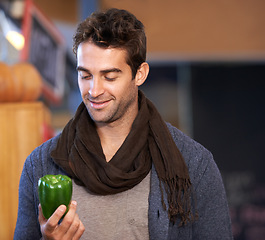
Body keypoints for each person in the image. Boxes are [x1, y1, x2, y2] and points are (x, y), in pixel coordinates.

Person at [14, 8, 233, 240]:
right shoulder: (40, 165)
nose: (94, 91)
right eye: (85, 75)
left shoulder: (194, 165)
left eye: (109, 76)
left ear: (139, 74)